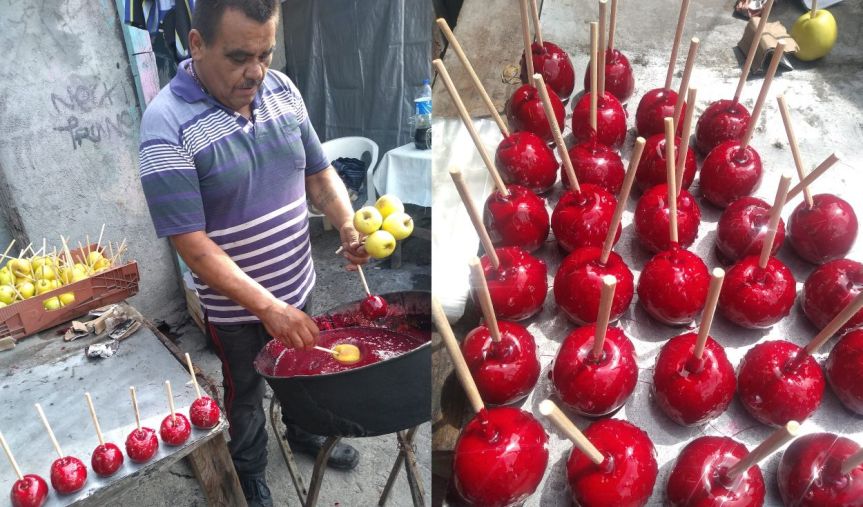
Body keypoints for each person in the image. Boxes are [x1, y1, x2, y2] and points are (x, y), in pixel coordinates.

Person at [137, 1, 368, 505]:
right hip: (237, 313)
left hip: (299, 286)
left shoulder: (282, 90)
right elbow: (191, 244)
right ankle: (248, 470)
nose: (256, 72)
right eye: (240, 56)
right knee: (246, 395)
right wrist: (267, 308)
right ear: (197, 45)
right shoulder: (165, 127)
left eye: (265, 53)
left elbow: (318, 171)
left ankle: (303, 432)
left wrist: (348, 223)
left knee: (303, 370)